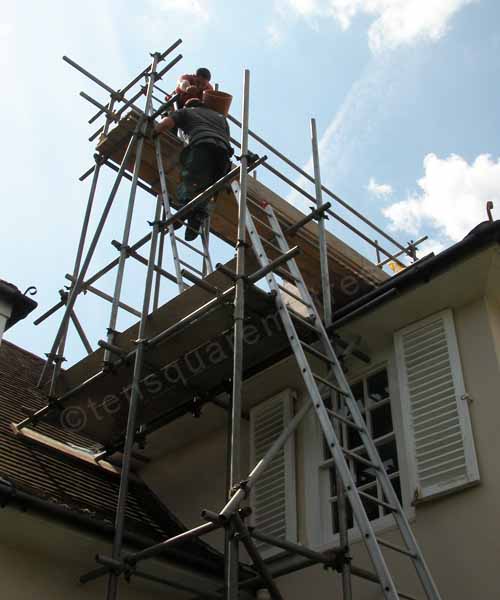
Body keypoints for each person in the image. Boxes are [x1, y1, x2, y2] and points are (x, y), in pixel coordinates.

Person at [155, 98, 232, 241]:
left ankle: (183, 210)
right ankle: (197, 216)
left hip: (202, 145)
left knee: (190, 179)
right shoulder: (221, 117)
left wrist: (154, 131)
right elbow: (227, 137)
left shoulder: (185, 112)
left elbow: (167, 123)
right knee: (208, 188)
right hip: (223, 155)